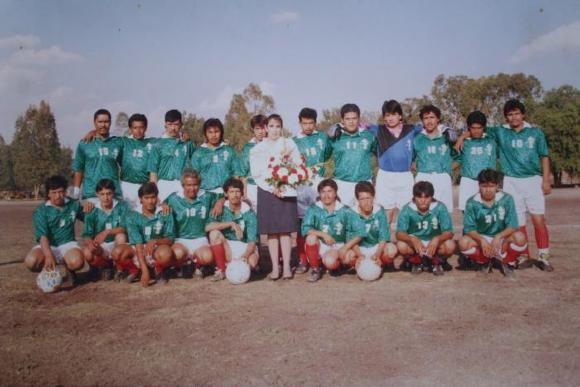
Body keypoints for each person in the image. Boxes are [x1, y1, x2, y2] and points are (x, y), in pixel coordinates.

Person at [482, 100, 552, 271]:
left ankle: (544, 257)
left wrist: (545, 179)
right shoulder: (501, 132)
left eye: (516, 113)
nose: (513, 117)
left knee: (538, 219)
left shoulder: (535, 132)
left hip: (533, 180)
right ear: (506, 117)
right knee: (518, 222)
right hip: (511, 182)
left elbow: (544, 156)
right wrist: (462, 136)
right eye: (510, 114)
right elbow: (477, 128)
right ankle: (523, 256)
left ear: (523, 114)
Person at [250, 114, 301, 280]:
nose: (274, 130)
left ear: (282, 127)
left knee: (285, 231)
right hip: (267, 191)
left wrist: (285, 181)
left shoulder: (289, 144)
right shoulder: (257, 149)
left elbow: (298, 164)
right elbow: (257, 173)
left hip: (286, 190)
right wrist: (273, 187)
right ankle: (275, 268)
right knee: (272, 232)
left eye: (278, 126)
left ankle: (286, 267)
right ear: (265, 128)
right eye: (271, 126)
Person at [458, 169, 527, 277]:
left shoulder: (506, 199)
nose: (488, 190)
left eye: (491, 186)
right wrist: (482, 240)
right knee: (463, 242)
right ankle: (484, 262)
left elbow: (513, 225)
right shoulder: (472, 202)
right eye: (484, 186)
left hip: (501, 238)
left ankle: (507, 262)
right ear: (479, 185)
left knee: (520, 237)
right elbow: (468, 228)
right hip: (483, 238)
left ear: (497, 186)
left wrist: (499, 237)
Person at [369, 100, 422, 224]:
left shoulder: (411, 129)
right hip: (385, 176)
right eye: (387, 115)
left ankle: (407, 242)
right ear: (384, 117)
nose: (390, 118)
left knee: (408, 211)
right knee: (387, 211)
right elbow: (359, 125)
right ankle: (385, 241)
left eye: (393, 114)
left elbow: (429, 126)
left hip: (405, 176)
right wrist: (339, 126)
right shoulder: (378, 130)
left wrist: (447, 129)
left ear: (400, 116)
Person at [301, 179, 365, 282]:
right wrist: (323, 235)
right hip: (321, 245)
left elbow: (360, 232)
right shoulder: (314, 209)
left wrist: (346, 248)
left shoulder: (345, 210)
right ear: (319, 194)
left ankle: (339, 264)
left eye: (329, 191)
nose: (326, 195)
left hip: (339, 245)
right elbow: (305, 228)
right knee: (310, 238)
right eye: (323, 192)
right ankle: (315, 269)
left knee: (333, 262)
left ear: (335, 193)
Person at [24, 176, 85, 283]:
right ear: (48, 194)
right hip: (49, 245)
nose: (58, 195)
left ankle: (69, 270)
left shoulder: (73, 205)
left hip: (68, 244)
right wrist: (48, 255)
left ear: (65, 192)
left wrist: (89, 207)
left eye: (61, 192)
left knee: (77, 262)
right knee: (31, 262)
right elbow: (43, 237)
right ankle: (48, 270)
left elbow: (88, 218)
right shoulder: (41, 211)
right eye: (54, 192)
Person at [293, 107, 332, 274]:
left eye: (311, 123)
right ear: (299, 122)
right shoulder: (293, 141)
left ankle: (320, 257)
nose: (307, 126)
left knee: (321, 220)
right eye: (304, 123)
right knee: (302, 224)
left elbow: (329, 153)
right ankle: (303, 260)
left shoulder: (323, 137)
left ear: (315, 123)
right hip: (301, 185)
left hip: (318, 184)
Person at [115, 182, 176, 287]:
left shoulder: (165, 212)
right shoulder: (132, 215)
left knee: (167, 254)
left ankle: (158, 270)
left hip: (156, 248)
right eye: (146, 198)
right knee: (117, 252)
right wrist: (144, 271)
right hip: (138, 249)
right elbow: (138, 243)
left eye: (153, 197)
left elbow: (170, 239)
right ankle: (135, 270)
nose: (150, 201)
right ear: (140, 199)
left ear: (157, 198)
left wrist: (156, 241)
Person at [396, 181, 456, 275]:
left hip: (434, 242)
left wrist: (437, 239)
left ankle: (438, 261)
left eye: (426, 197)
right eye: (419, 197)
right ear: (414, 197)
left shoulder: (440, 207)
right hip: (416, 244)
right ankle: (416, 262)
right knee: (401, 245)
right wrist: (412, 239)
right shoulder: (407, 209)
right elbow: (399, 234)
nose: (423, 200)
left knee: (450, 245)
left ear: (431, 197)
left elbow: (449, 232)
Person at [165, 170, 215, 280]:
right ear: (183, 185)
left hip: (200, 239)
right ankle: (184, 264)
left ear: (199, 185)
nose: (192, 188)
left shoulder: (206, 196)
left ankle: (198, 266)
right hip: (181, 239)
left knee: (208, 257)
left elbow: (222, 197)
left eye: (195, 185)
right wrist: (163, 205)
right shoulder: (174, 198)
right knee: (176, 254)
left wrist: (219, 203)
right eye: (188, 185)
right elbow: (161, 205)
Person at [206, 178, 259, 280]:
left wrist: (245, 256)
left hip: (245, 246)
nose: (235, 195)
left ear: (242, 193)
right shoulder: (220, 208)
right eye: (231, 192)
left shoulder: (249, 212)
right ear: (226, 194)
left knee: (251, 263)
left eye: (237, 191)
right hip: (228, 246)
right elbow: (207, 227)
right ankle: (221, 270)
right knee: (214, 233)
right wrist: (231, 224)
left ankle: (246, 265)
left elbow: (252, 242)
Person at [329, 103, 377, 207]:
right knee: (343, 218)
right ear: (342, 120)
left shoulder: (368, 136)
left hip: (364, 183)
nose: (351, 122)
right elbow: (323, 156)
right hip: (342, 184)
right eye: (347, 119)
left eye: (354, 118)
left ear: (359, 119)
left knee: (364, 216)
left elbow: (379, 154)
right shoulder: (335, 137)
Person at [82, 179, 129, 281]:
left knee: (121, 235)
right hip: (101, 247)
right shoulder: (92, 211)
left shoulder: (122, 206)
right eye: (102, 194)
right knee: (87, 252)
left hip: (117, 244)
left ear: (113, 193)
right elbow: (86, 234)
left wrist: (107, 232)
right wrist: (90, 243)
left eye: (109, 193)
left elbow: (125, 227)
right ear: (97, 195)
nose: (106, 197)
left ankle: (119, 267)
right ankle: (105, 267)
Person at [72, 109, 123, 201]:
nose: (103, 125)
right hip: (91, 195)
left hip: (113, 195)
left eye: (106, 122)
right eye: (100, 122)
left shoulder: (118, 142)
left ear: (110, 123)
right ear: (94, 122)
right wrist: (76, 192)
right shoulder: (85, 143)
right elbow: (79, 169)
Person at [413, 105, 455, 213]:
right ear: (422, 121)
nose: (429, 121)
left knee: (444, 213)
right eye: (426, 118)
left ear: (438, 119)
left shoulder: (447, 137)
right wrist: (418, 170)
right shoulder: (417, 139)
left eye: (432, 117)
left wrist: (447, 170)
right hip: (423, 177)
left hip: (443, 178)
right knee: (422, 213)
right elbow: (410, 159)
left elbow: (459, 157)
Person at [453, 111, 497, 211]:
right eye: (473, 128)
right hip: (468, 180)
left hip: (487, 181)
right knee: (467, 212)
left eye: (479, 128)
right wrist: (461, 138)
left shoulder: (492, 139)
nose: (476, 131)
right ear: (468, 127)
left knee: (488, 212)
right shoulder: (465, 142)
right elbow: (455, 155)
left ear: (484, 127)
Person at [148, 109, 195, 202]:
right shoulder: (158, 144)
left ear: (181, 125)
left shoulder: (187, 143)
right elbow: (153, 172)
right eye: (170, 124)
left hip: (183, 185)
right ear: (165, 124)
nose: (173, 128)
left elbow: (198, 160)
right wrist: (154, 193)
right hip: (163, 186)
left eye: (176, 124)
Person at [351, 181, 398, 271]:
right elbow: (350, 239)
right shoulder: (351, 213)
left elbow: (383, 236)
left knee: (392, 250)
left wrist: (378, 254)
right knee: (347, 256)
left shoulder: (379, 211)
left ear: (373, 197)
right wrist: (360, 255)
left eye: (368, 198)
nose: (366, 202)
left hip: (376, 246)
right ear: (357, 200)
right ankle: (354, 265)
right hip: (360, 248)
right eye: (362, 199)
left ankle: (383, 263)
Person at [190, 118, 238, 196]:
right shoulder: (198, 153)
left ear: (221, 132)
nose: (213, 135)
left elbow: (236, 174)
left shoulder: (229, 151)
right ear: (205, 133)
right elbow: (193, 176)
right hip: (203, 194)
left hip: (226, 194)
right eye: (210, 132)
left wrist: (233, 192)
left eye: (216, 131)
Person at [236, 114, 267, 209]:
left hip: (269, 188)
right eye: (257, 129)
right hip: (252, 188)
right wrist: (244, 195)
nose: (261, 132)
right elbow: (242, 174)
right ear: (253, 129)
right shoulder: (248, 148)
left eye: (263, 128)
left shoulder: (273, 145)